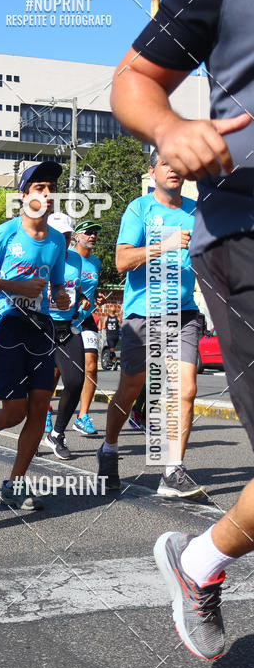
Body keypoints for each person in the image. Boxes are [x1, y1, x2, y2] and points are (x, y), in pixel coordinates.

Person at [110, 0, 254, 659]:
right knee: (155, 385)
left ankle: (197, 556)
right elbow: (134, 79)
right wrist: (170, 127)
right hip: (241, 236)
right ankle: (138, 455)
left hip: (189, 295)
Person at [0, 162, 69, 509]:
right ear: (24, 195)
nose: (47, 194)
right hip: (7, 326)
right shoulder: (6, 233)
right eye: (40, 187)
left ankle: (15, 483)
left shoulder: (56, 243)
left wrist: (60, 295)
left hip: (41, 328)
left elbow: (58, 284)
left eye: (51, 188)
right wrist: (13, 285)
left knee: (38, 409)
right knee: (15, 411)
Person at [96, 150, 205, 500]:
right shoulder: (139, 209)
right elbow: (122, 259)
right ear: (153, 170)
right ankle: (109, 448)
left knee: (185, 389)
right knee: (130, 389)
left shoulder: (196, 211)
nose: (174, 169)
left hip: (184, 314)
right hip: (143, 315)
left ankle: (173, 471)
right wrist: (165, 244)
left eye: (180, 163)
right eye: (166, 163)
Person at [43, 213, 90, 460]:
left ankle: (57, 434)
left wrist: (82, 299)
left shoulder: (75, 260)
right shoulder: (39, 257)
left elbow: (76, 288)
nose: (63, 239)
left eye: (67, 235)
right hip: (40, 326)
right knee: (36, 388)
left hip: (66, 329)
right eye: (59, 234)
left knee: (75, 381)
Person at [71, 221, 102, 436]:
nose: (93, 236)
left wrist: (96, 295)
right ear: (76, 236)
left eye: (95, 233)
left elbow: (92, 287)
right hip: (65, 318)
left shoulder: (96, 262)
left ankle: (82, 416)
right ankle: (45, 410)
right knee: (56, 370)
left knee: (91, 366)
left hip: (86, 319)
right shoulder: (67, 258)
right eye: (89, 232)